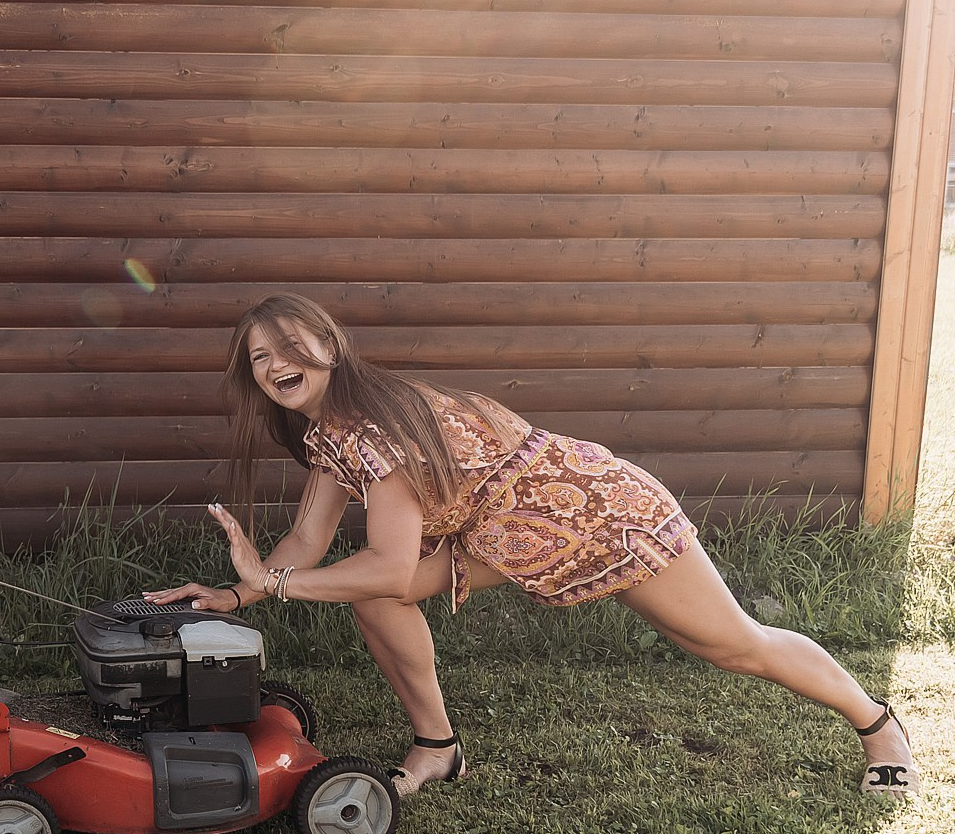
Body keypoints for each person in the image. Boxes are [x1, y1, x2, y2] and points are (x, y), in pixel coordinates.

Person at [146, 293, 919, 797]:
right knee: (378, 597)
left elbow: (381, 560)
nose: (277, 363)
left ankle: (877, 721)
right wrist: (236, 590)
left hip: (595, 510)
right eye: (259, 358)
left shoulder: (376, 428)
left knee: (730, 645)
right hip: (500, 530)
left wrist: (274, 588)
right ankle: (437, 744)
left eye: (289, 345)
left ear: (330, 343)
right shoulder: (334, 436)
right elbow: (311, 537)